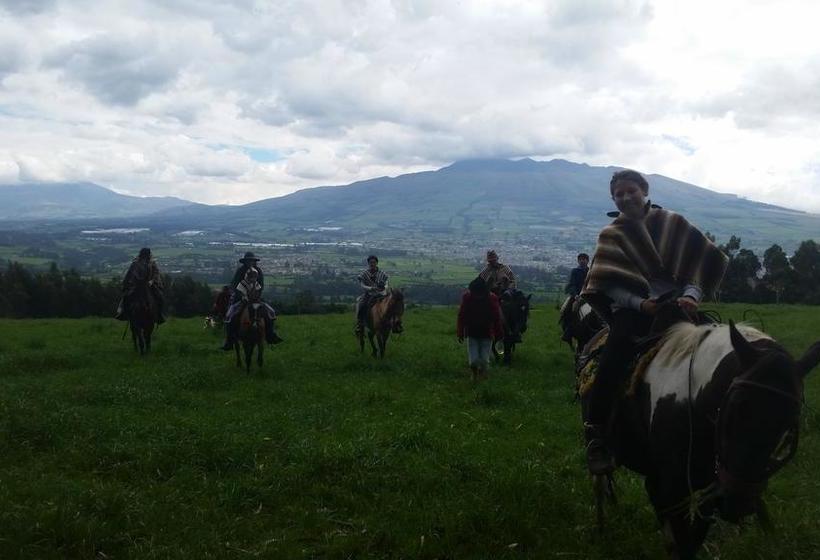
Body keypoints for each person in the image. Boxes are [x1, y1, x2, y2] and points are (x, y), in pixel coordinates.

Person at [580, 169, 727, 475]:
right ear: (613, 199)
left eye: (630, 191)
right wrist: (641, 304)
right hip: (633, 313)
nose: (625, 197)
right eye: (618, 194)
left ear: (644, 190)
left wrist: (691, 296)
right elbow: (608, 284)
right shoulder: (612, 234)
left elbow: (696, 268)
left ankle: (728, 430)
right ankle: (596, 434)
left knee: (719, 351)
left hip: (678, 307)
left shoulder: (674, 224)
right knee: (612, 357)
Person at [221, 268, 282, 349]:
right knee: (230, 315)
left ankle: (270, 334)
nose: (253, 278)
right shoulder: (242, 284)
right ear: (248, 276)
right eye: (251, 276)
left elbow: (258, 292)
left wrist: (257, 298)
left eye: (254, 276)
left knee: (270, 312)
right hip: (244, 301)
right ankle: (230, 339)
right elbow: (240, 294)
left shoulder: (256, 284)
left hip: (256, 301)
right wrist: (246, 299)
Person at [457, 277, 503, 381]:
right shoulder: (468, 297)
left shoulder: (491, 298)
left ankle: (481, 375)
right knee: (474, 360)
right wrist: (460, 332)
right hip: (472, 332)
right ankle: (475, 374)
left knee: (484, 358)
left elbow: (496, 318)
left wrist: (499, 334)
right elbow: (462, 315)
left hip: (487, 332)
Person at [115, 247, 165, 323]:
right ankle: (123, 313)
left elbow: (156, 273)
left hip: (149, 285)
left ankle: (159, 315)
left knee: (159, 296)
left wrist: (152, 281)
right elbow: (130, 274)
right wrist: (130, 283)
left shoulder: (152, 263)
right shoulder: (135, 263)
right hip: (136, 285)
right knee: (126, 297)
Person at [560, 253, 590, 343]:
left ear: (587, 261)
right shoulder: (575, 271)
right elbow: (572, 284)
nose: (582, 261)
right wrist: (576, 295)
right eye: (580, 259)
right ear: (578, 261)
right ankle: (568, 330)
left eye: (584, 259)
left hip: (589, 296)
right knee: (568, 309)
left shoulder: (590, 271)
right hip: (577, 296)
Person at [355, 255, 389, 334]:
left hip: (381, 294)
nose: (372, 264)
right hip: (369, 294)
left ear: (377, 263)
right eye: (370, 262)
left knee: (391, 304)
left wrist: (384, 287)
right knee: (361, 305)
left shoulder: (382, 273)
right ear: (368, 263)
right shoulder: (364, 274)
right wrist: (371, 288)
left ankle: (394, 323)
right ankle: (360, 324)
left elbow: (387, 283)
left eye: (374, 262)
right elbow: (362, 285)